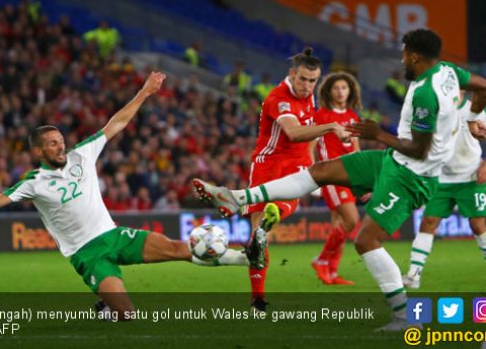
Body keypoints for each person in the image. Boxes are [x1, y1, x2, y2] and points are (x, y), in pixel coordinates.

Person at [193, 29, 486, 331]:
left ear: (414, 55)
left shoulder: (425, 92)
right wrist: (471, 120)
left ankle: (404, 317)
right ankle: (239, 197)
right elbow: (483, 87)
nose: (401, 59)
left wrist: (379, 135)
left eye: (403, 53)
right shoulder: (449, 71)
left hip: (412, 175)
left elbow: (421, 150)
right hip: (392, 161)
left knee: (365, 240)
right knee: (322, 172)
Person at [0, 72, 252, 318]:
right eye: (52, 143)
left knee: (180, 248)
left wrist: (144, 92)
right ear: (39, 150)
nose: (61, 145)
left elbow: (116, 123)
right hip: (87, 254)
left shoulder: (82, 155)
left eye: (61, 140)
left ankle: (245, 257)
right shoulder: (34, 181)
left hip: (114, 236)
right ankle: (106, 307)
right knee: (128, 315)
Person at [219, 47, 351, 313]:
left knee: (260, 233)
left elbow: (308, 131)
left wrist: (314, 155)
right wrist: (331, 127)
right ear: (292, 74)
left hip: (297, 161)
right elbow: (292, 132)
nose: (307, 86)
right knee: (260, 238)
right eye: (302, 79)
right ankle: (275, 213)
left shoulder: (310, 96)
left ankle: (257, 300)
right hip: (268, 163)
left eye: (313, 81)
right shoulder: (279, 98)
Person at [403, 93, 486, 289]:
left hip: (472, 176)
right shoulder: (432, 113)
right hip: (441, 178)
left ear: (462, 90)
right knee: (428, 222)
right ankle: (413, 276)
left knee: (478, 225)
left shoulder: (475, 110)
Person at [311, 71, 363, 286]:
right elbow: (310, 145)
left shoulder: (352, 116)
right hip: (331, 175)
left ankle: (332, 273)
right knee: (352, 220)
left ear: (349, 91)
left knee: (339, 225)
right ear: (329, 91)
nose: (340, 92)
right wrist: (311, 173)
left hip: (350, 175)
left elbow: (356, 149)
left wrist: (363, 179)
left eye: (344, 88)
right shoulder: (321, 115)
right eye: (336, 88)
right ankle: (321, 260)